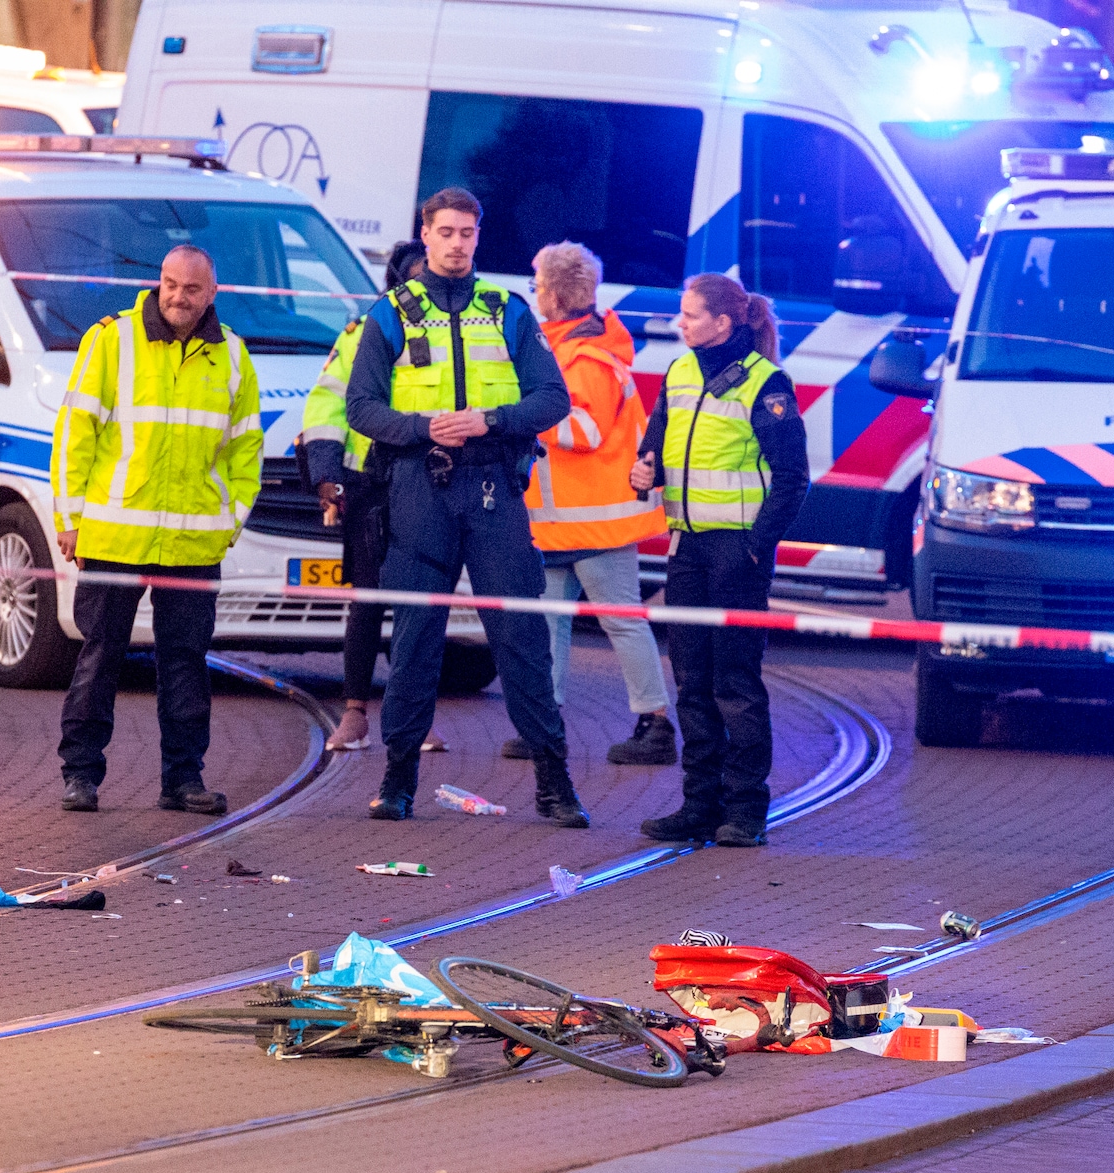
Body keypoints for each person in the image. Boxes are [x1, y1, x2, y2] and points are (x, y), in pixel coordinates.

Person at [344, 186, 584, 826]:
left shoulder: (506, 309)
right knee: (416, 642)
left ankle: (555, 786)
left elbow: (552, 399)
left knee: (521, 638)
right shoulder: (391, 312)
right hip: (421, 489)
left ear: (478, 237)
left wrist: (489, 421)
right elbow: (360, 409)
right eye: (445, 232)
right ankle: (397, 783)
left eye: (467, 233)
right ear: (425, 235)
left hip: (493, 493)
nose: (456, 244)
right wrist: (425, 429)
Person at [50, 245, 262, 815]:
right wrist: (70, 520)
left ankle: (183, 780)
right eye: (170, 283)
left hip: (194, 541)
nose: (177, 296)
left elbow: (246, 450)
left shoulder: (234, 358)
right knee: (101, 656)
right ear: (158, 282)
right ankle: (81, 775)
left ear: (211, 294)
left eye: (191, 289)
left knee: (186, 661)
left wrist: (229, 523)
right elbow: (76, 432)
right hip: (116, 536)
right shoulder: (112, 339)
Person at [628, 272, 809, 847]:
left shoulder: (766, 382)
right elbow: (653, 448)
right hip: (687, 547)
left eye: (689, 315)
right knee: (692, 683)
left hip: (736, 551)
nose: (679, 323)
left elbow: (792, 478)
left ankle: (746, 811)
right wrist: (642, 474)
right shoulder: (681, 372)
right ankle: (699, 805)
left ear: (723, 322)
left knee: (735, 682)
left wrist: (757, 545)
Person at [506, 240, 676, 768]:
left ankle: (655, 724)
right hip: (565, 524)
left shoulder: (585, 358)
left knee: (619, 620)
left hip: (594, 523)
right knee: (557, 621)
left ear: (556, 294)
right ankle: (546, 722)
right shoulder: (571, 348)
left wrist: (520, 413)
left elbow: (585, 431)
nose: (534, 293)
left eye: (538, 285)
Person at [300, 240, 423, 754]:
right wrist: (327, 473)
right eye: (414, 279)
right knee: (367, 600)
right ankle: (355, 714)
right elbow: (326, 402)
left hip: (425, 479)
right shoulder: (362, 332)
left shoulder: (466, 329)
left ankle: (415, 716)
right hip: (369, 482)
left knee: (419, 603)